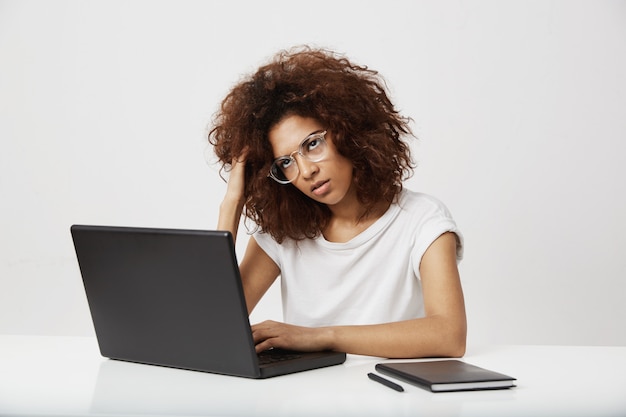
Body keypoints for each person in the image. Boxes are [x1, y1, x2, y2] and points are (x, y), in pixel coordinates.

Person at [208, 46, 466, 359]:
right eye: (287, 162)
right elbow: (213, 330)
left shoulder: (422, 220)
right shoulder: (283, 234)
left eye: (312, 144)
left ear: (349, 130)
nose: (306, 171)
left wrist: (320, 337)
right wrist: (231, 206)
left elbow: (449, 336)